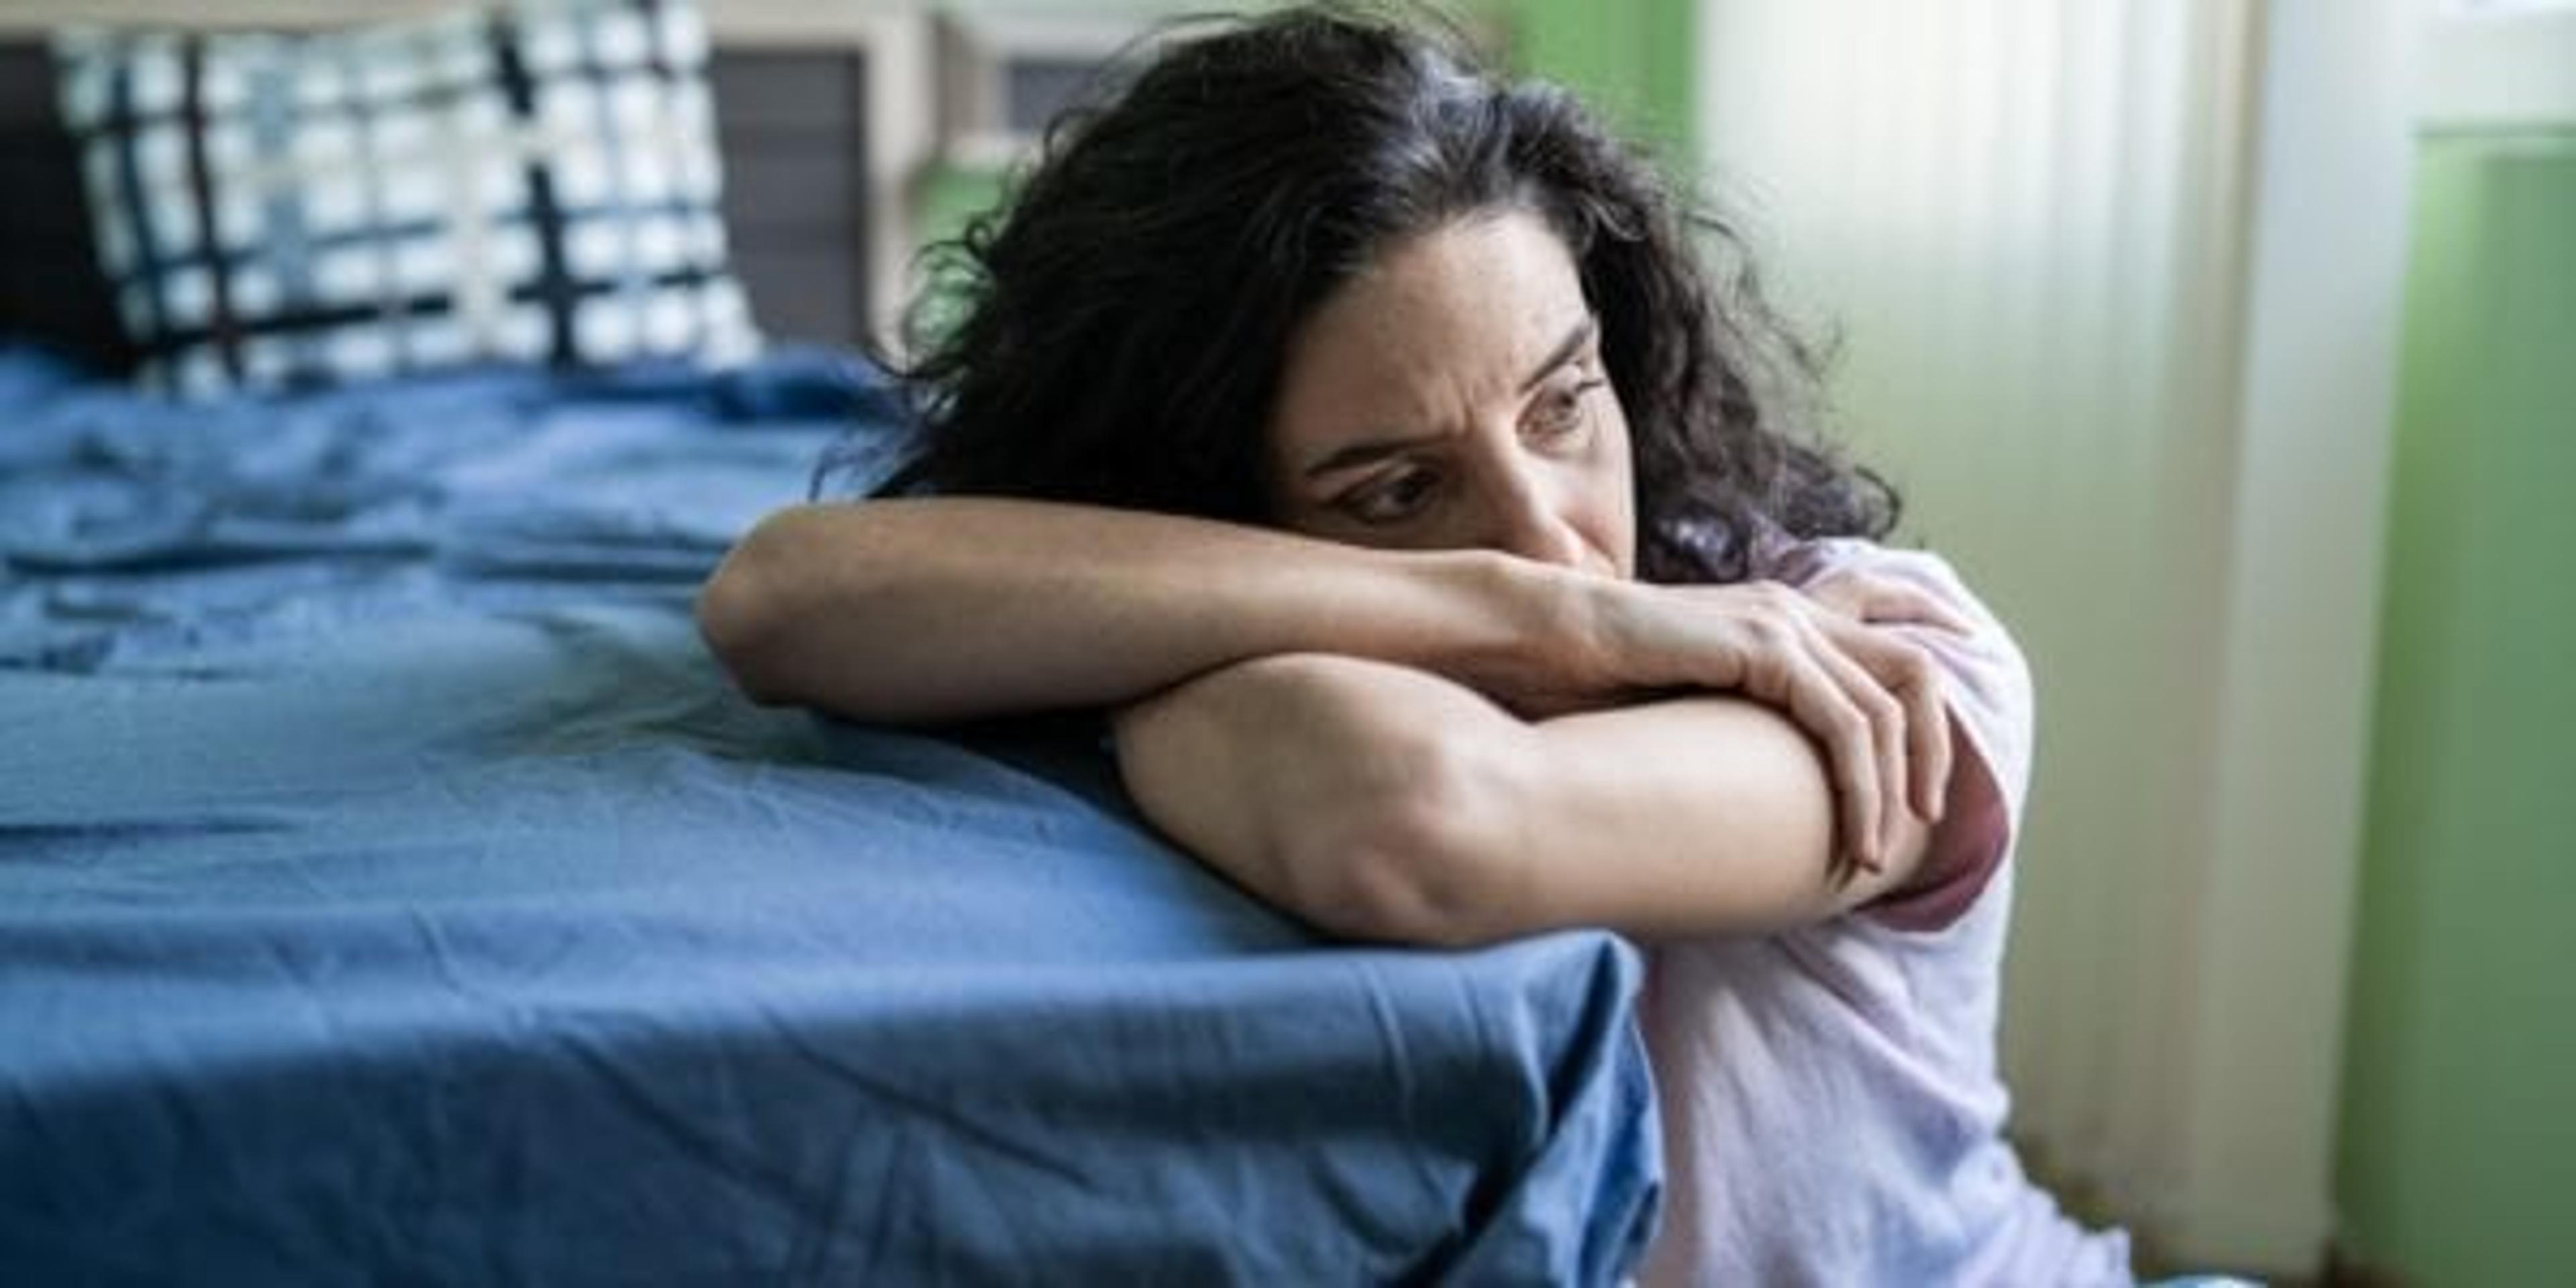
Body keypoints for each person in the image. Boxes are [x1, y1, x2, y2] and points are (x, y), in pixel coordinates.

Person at [697, 5, 2132, 1283]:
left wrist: (1139, 641)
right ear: (1212, 502)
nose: (1549, 538)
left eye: (1564, 407)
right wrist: (1535, 619)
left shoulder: (1872, 658)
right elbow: (780, 601)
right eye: (1397, 490)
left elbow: (1421, 823)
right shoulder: (1515, 598)